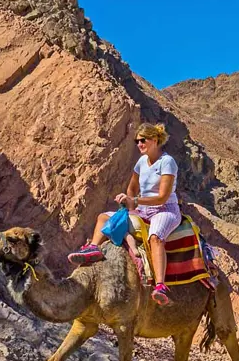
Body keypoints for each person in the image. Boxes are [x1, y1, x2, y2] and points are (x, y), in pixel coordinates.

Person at [68, 123, 180, 306]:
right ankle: (93, 248)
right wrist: (128, 199)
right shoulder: (142, 161)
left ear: (154, 140)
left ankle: (160, 285)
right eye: (137, 141)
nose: (139, 144)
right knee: (104, 217)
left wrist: (135, 202)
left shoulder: (167, 162)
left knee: (155, 237)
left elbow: (162, 197)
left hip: (164, 209)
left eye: (142, 140)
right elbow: (133, 186)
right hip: (142, 208)